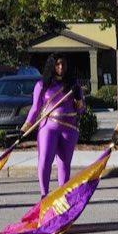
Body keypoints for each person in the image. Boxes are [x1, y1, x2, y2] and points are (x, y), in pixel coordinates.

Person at [22, 55, 84, 197]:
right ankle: (44, 195)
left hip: (69, 128)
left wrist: (78, 98)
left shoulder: (73, 84)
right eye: (57, 64)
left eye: (63, 64)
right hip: (48, 128)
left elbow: (81, 110)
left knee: (64, 163)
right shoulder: (42, 85)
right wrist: (25, 127)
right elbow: (35, 109)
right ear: (52, 66)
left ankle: (62, 196)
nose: (61, 67)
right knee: (45, 160)